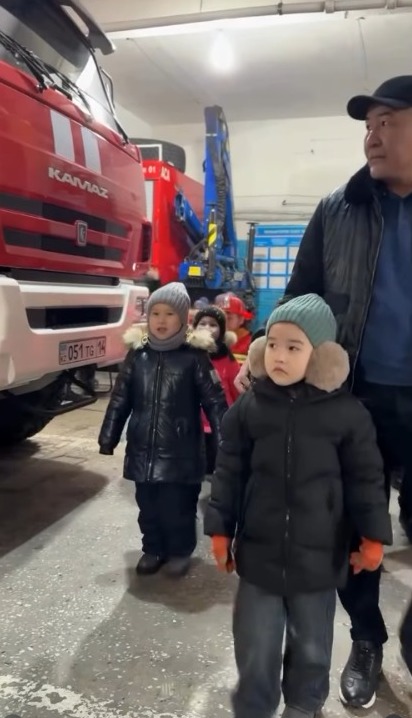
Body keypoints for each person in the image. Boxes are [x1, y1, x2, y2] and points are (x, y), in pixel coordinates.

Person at [248, 75, 412, 709]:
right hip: (354, 400)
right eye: (368, 125)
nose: (372, 136)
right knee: (351, 528)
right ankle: (365, 639)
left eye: (388, 121)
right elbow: (298, 295)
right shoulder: (337, 209)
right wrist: (266, 350)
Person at [204, 294, 392, 718]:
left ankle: (304, 704)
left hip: (319, 560)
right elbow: (229, 470)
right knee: (255, 643)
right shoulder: (250, 408)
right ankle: (254, 706)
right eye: (273, 344)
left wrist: (373, 538)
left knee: (311, 644)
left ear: (321, 356)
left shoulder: (347, 415)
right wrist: (220, 528)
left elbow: (366, 481)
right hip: (259, 555)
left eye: (294, 347)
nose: (279, 356)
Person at [98, 282, 228, 578]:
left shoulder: (195, 357)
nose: (161, 320)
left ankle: (180, 550)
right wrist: (109, 435)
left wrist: (225, 443)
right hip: (142, 449)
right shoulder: (137, 356)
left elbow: (215, 402)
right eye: (155, 313)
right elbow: (120, 398)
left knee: (178, 507)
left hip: (181, 451)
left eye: (169, 314)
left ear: (182, 319)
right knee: (148, 506)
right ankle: (153, 548)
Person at [192, 305, 239, 472]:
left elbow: (236, 388)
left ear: (222, 330)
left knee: (216, 468)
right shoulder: (188, 355)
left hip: (219, 424)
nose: (207, 328)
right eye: (202, 323)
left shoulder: (227, 357)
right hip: (193, 425)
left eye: (213, 324)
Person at [215, 293, 253, 362]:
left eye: (229, 318)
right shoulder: (214, 340)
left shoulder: (251, 344)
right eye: (221, 317)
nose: (224, 322)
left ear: (241, 320)